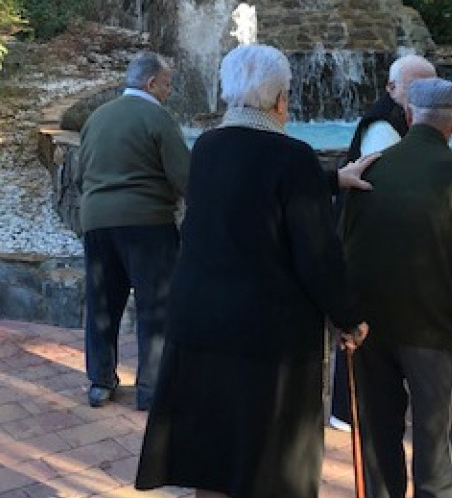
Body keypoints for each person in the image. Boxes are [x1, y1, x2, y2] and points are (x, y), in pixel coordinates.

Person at [135, 44, 369, 498]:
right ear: (281, 99)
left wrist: (329, 179)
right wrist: (348, 317)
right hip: (265, 333)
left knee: (211, 453)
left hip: (201, 322)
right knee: (268, 460)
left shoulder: (207, 147)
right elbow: (317, 255)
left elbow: (248, 190)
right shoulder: (293, 156)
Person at [341, 78, 452, 498]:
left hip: (369, 331)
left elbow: (344, 247)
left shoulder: (369, 168)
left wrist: (345, 318)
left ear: (409, 116)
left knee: (377, 438)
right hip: (435, 331)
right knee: (438, 445)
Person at [77, 51, 190, 411]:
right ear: (151, 83)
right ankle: (151, 389)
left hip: (96, 221)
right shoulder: (157, 118)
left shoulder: (96, 117)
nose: (170, 92)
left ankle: (100, 382)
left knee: (102, 304)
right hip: (147, 222)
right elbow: (184, 176)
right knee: (155, 307)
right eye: (168, 84)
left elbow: (81, 175)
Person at [329, 53, 437, 432]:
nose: (422, 93)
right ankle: (348, 411)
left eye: (428, 86)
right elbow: (388, 189)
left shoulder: (402, 120)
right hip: (367, 242)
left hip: (373, 240)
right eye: (414, 86)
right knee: (364, 326)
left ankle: (356, 406)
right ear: (392, 88)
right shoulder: (382, 127)